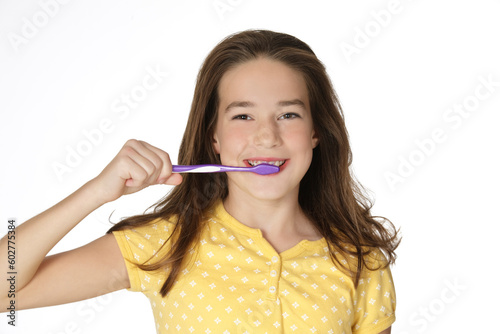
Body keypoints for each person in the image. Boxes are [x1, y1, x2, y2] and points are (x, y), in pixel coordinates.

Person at [1, 29, 400, 333]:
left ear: (316, 132)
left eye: (289, 115)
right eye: (242, 116)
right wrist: (96, 192)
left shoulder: (360, 260)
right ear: (214, 137)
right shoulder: (167, 243)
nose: (267, 136)